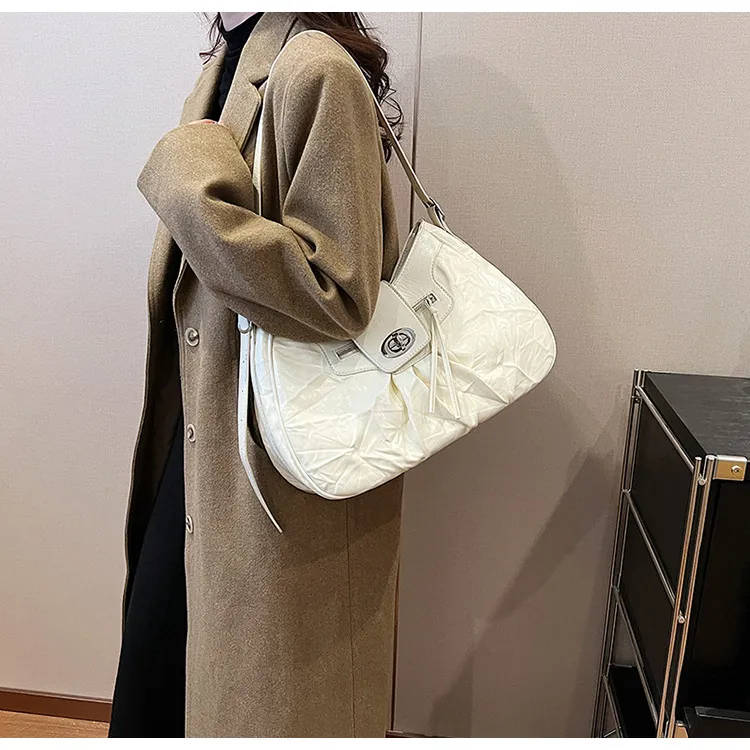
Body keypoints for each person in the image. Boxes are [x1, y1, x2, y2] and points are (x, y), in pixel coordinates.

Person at [109, 11, 406, 738]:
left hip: (270, 466)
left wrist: (192, 189)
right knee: (160, 684)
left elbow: (339, 293)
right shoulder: (221, 70)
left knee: (223, 693)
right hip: (205, 438)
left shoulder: (316, 68)